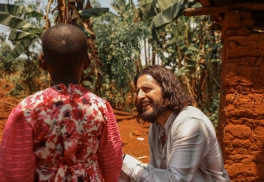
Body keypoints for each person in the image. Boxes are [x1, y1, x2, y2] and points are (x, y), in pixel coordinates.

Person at [0, 23, 122, 182]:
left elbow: (15, 169)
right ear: (87, 61)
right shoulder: (101, 107)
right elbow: (112, 161)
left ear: (42, 62)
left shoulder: (27, 109)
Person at [119, 65, 230, 182]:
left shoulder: (191, 123)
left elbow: (176, 179)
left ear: (167, 90)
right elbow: (156, 173)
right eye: (138, 91)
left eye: (147, 89)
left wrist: (127, 164)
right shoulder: (156, 128)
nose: (140, 96)